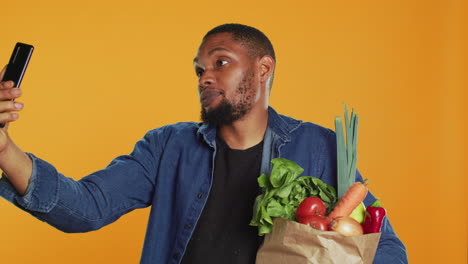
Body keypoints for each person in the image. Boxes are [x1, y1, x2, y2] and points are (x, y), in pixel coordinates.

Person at [0, 24, 407, 263]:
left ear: (263, 68)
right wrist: (5, 150)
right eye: (199, 69)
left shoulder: (318, 147)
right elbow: (86, 208)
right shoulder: (166, 147)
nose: (204, 77)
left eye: (220, 62)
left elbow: (386, 248)